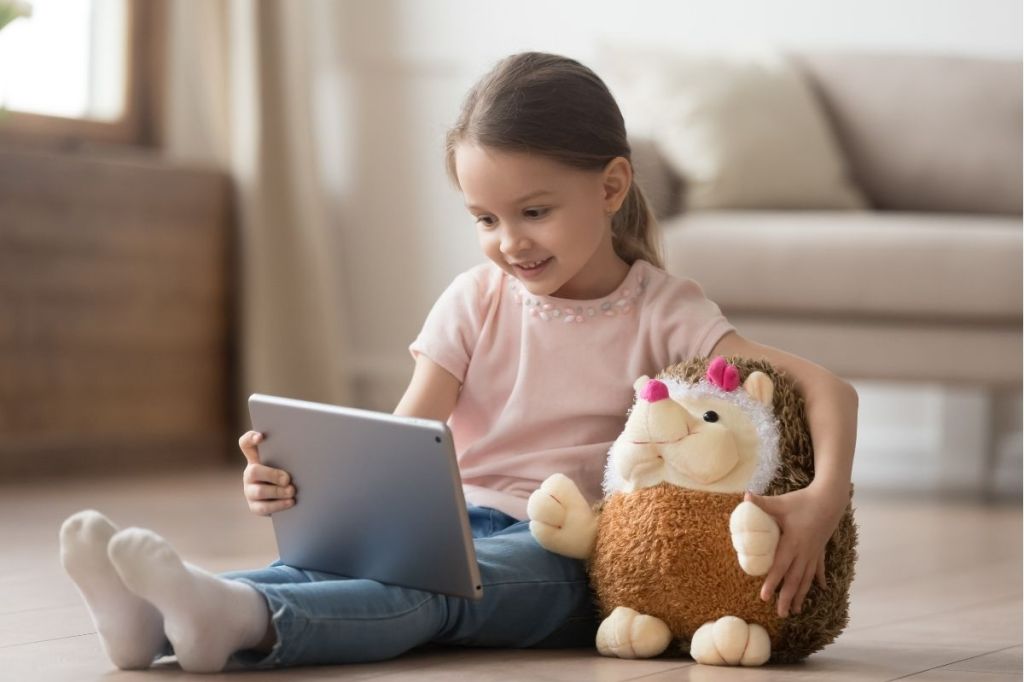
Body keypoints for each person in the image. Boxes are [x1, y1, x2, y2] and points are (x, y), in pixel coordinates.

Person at [57, 51, 858, 673]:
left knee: (431, 597)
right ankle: (156, 621)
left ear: (612, 186)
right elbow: (403, 439)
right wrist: (298, 483)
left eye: (533, 211)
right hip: (446, 525)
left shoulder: (664, 309)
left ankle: (241, 622)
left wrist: (821, 502)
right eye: (485, 218)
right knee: (349, 571)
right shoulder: (474, 299)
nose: (509, 242)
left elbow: (831, 389)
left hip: (567, 554)